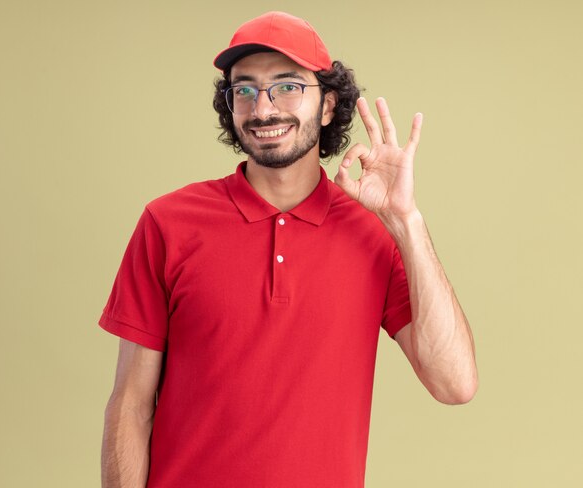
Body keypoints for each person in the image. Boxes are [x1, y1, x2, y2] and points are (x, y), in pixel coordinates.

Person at [98, 11, 478, 488]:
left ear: (327, 105)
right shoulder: (169, 222)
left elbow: (455, 383)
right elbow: (130, 405)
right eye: (245, 90)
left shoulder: (374, 233)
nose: (263, 110)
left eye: (287, 86)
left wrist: (407, 221)